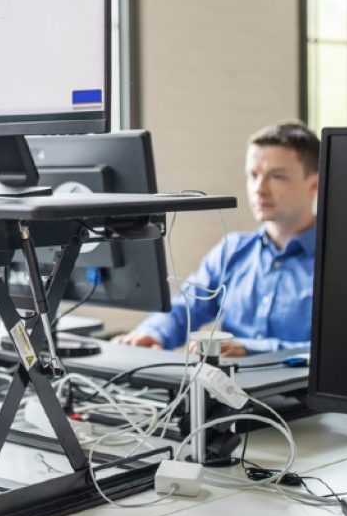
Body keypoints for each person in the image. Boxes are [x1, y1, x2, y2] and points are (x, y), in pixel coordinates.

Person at [114, 121, 320, 357]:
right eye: (253, 175)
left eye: (277, 176)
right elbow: (186, 308)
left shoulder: (341, 263)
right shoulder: (232, 250)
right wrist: (152, 333)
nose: (259, 189)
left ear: (314, 184)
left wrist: (253, 349)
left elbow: (341, 351)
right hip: (229, 390)